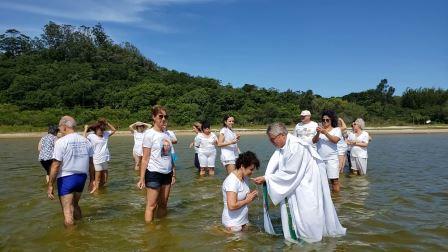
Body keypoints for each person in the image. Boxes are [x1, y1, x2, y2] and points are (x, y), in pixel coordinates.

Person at [252, 122, 346, 243]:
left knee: (307, 211)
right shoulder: (285, 145)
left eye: (272, 139)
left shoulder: (296, 146)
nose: (272, 143)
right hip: (298, 182)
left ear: (281, 135)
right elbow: (280, 165)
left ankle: (311, 239)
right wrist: (267, 176)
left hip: (306, 184)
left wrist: (267, 179)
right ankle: (301, 234)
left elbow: (290, 172)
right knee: (298, 212)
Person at [47, 116, 95, 227]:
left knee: (67, 211)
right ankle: (82, 227)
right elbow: (91, 163)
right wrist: (92, 180)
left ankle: (72, 240)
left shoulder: (61, 142)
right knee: (75, 204)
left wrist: (50, 185)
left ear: (64, 127)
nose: (59, 131)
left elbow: (55, 165)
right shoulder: (86, 141)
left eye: (59, 128)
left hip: (66, 178)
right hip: (81, 178)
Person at [137, 105, 176, 223]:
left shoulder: (167, 134)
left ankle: (162, 229)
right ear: (153, 117)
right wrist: (142, 178)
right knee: (152, 205)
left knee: (163, 204)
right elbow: (145, 158)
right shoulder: (149, 134)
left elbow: (171, 155)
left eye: (165, 116)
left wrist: (174, 173)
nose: (163, 119)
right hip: (153, 173)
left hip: (167, 173)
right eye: (160, 116)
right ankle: (149, 232)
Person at [222, 151, 259, 232]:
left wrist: (251, 195)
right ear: (242, 166)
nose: (252, 172)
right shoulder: (232, 181)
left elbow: (244, 197)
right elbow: (231, 206)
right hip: (233, 224)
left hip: (242, 221)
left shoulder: (244, 178)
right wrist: (247, 200)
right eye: (251, 169)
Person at [312, 110, 343, 193]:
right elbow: (314, 141)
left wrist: (325, 133)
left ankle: (336, 199)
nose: (325, 122)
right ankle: (325, 198)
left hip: (331, 159)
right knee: (320, 181)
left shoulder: (336, 130)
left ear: (331, 120)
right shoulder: (319, 130)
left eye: (327, 120)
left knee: (334, 181)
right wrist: (318, 133)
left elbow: (335, 140)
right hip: (320, 159)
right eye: (323, 120)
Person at [83, 118, 117, 193]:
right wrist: (85, 129)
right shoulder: (91, 136)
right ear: (95, 130)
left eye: (102, 130)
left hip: (104, 159)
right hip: (97, 159)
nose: (101, 131)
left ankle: (100, 191)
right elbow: (83, 139)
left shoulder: (105, 134)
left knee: (104, 180)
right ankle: (96, 193)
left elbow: (114, 130)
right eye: (100, 130)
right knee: (97, 180)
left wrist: (107, 123)